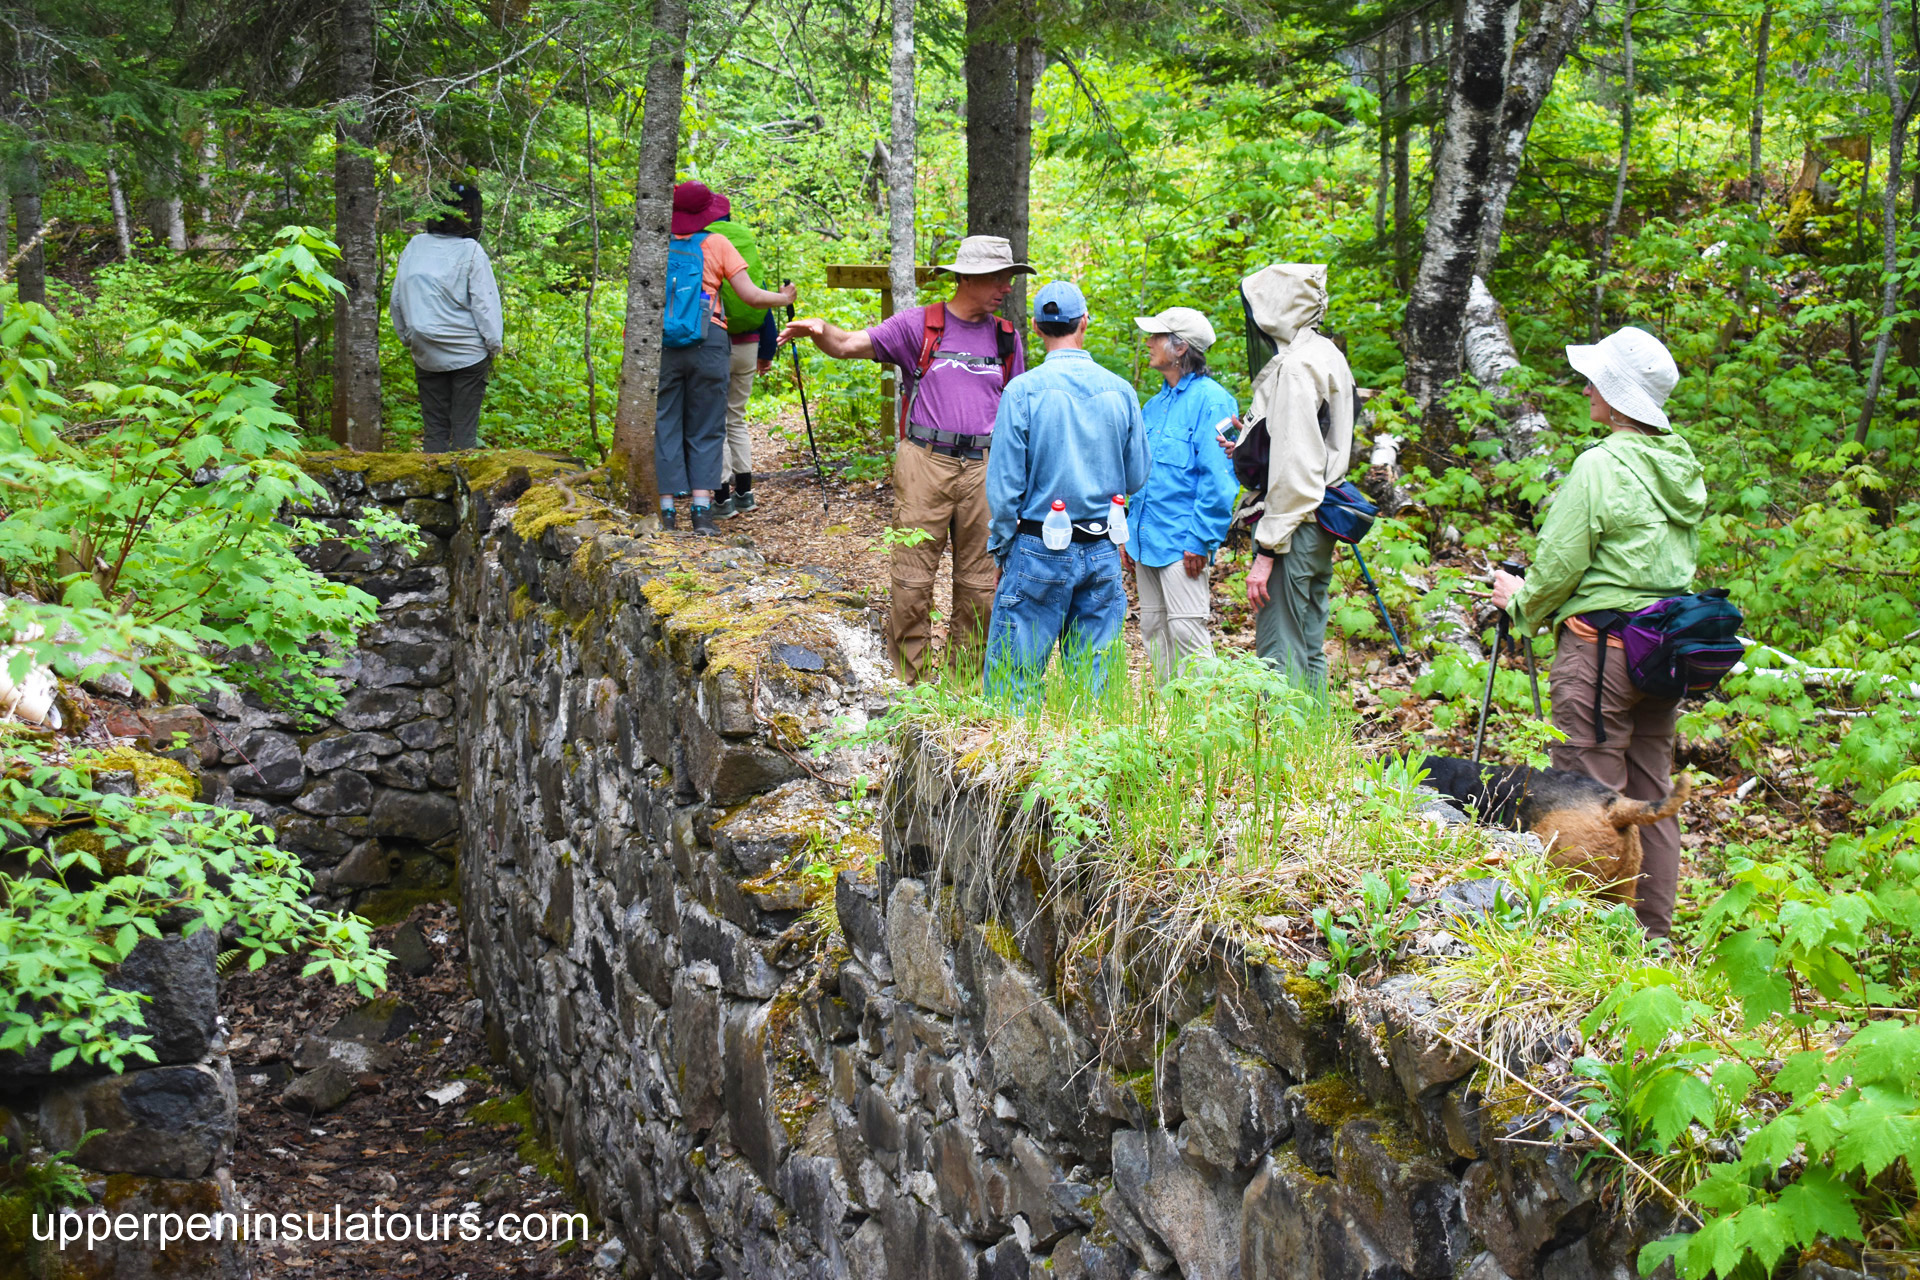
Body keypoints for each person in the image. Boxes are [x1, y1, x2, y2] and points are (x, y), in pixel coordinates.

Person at [1491, 326, 1703, 939]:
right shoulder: (1680, 467)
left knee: (1591, 801)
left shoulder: (1601, 465)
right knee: (1651, 800)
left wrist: (1519, 602)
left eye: (1597, 381)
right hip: (1660, 654)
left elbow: (1560, 564)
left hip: (1600, 653)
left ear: (1618, 396)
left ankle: (1595, 944)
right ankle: (1652, 940)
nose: (1587, 389)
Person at [779, 235, 1030, 682]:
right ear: (968, 278)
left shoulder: (1006, 339)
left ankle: (962, 688)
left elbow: (1020, 412)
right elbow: (849, 344)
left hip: (987, 470)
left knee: (979, 586)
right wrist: (821, 330)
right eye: (999, 277)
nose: (1007, 287)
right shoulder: (921, 325)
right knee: (912, 580)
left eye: (1009, 277)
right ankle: (908, 685)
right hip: (924, 462)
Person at [983, 281, 1150, 702]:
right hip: (1102, 546)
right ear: (1085, 323)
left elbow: (1004, 488)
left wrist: (1003, 547)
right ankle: (1091, 766)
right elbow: (1138, 474)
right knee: (1097, 687)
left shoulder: (1022, 391)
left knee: (1013, 683)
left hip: (1037, 545)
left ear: (1036, 328)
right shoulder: (1120, 391)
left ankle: (1015, 765)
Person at [1239, 263, 1354, 688]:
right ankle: (1319, 751)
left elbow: (1298, 469)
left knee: (1279, 654)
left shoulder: (1295, 366)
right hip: (1319, 523)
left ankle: (1284, 750)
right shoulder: (1326, 354)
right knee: (1308, 648)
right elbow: (1313, 443)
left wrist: (1267, 551)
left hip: (1294, 528)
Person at [658, 181, 795, 534]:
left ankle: (668, 510)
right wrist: (784, 298)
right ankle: (703, 512)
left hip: (665, 344)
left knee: (667, 423)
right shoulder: (717, 243)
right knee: (708, 426)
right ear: (707, 214)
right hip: (710, 340)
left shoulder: (656, 242)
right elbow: (749, 296)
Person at [1127, 306, 1239, 684]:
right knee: (1154, 632)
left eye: (1157, 337)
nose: (1149, 343)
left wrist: (1200, 539)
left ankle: (1204, 724)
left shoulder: (1214, 401)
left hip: (1183, 544)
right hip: (1146, 541)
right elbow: (1139, 476)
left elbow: (1221, 479)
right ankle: (1170, 721)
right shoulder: (1154, 405)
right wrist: (1129, 533)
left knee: (1188, 635)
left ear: (1180, 348)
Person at [390, 183, 502, 452]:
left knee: (435, 431)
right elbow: (485, 306)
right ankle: (462, 490)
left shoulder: (415, 246)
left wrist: (409, 337)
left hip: (426, 350)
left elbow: (397, 299)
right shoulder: (471, 251)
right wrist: (494, 346)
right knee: (464, 434)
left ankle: (430, 490)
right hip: (468, 354)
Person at [705, 196, 780, 517]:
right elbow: (759, 298)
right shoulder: (744, 245)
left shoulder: (705, 244)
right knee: (736, 418)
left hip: (714, 342)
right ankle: (746, 493)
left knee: (715, 421)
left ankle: (721, 498)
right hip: (749, 345)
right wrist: (767, 351)